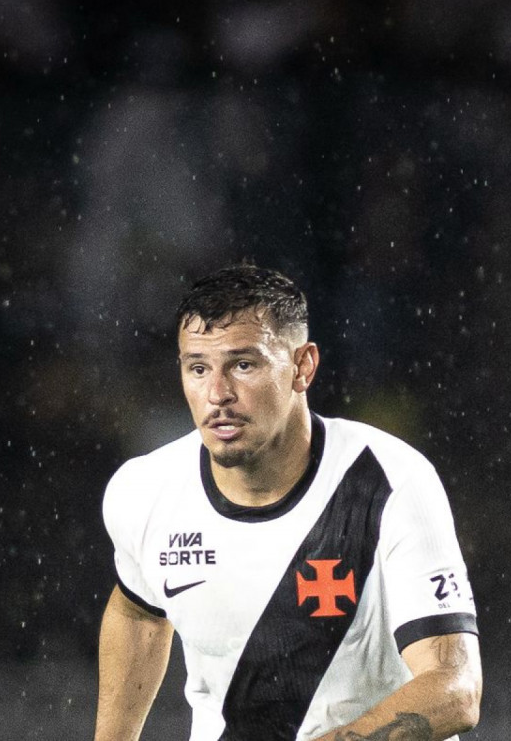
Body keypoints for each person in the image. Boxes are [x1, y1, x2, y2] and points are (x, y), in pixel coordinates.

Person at [95, 264, 482, 741]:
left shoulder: (390, 482)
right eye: (198, 368)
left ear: (303, 367)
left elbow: (455, 689)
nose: (217, 394)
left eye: (243, 365)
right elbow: (137, 610)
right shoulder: (144, 490)